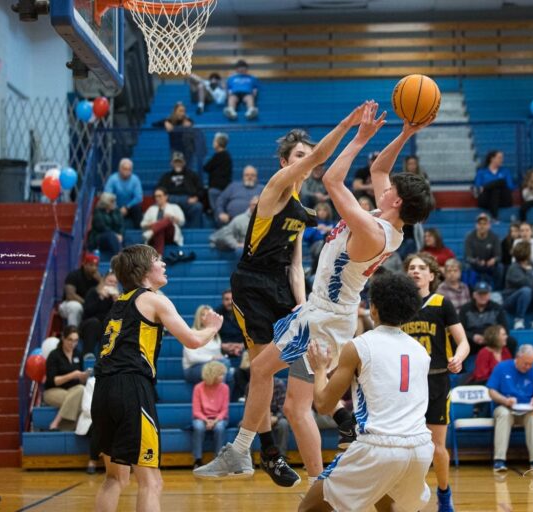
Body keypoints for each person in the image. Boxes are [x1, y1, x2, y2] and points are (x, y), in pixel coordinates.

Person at [195, 101, 435, 487]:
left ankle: (241, 451)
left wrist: (359, 137)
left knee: (261, 371)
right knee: (294, 402)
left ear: (396, 202)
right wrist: (406, 133)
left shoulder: (373, 231)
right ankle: (319, 478)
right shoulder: (390, 222)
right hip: (325, 312)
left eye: (390, 190)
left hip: (323, 314)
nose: (384, 187)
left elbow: (332, 181)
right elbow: (379, 169)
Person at [91, 244, 223, 512]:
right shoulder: (153, 299)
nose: (163, 264)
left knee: (115, 477)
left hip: (103, 390)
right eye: (158, 260)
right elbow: (193, 341)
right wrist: (211, 328)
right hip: (131, 388)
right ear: (143, 270)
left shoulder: (119, 303)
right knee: (152, 482)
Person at [300, 272, 434, 512]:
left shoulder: (359, 346)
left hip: (378, 449)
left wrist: (320, 369)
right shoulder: (421, 352)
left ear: (373, 309)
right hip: (420, 449)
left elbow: (322, 404)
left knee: (309, 508)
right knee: (387, 506)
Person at [404, 251, 469, 512]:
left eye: (421, 268)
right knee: (408, 446)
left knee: (436, 447)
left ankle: (444, 493)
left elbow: (462, 342)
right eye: (411, 267)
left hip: (437, 380)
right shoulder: (400, 306)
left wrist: (460, 358)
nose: (415, 271)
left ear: (432, 275)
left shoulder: (442, 303)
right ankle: (413, 498)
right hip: (407, 384)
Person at [487, 344, 533, 473]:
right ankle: (499, 460)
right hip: (505, 406)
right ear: (518, 357)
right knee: (504, 414)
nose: (528, 367)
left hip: (526, 409)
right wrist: (505, 400)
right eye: (526, 363)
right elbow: (491, 391)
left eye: (531, 364)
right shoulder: (502, 367)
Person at [44, 326, 88, 431]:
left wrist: (83, 377)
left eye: (76, 341)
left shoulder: (78, 354)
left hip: (74, 390)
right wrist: (73, 375)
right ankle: (60, 424)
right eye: (70, 340)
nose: (73, 344)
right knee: (78, 399)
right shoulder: (54, 355)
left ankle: (57, 424)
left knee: (80, 390)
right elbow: (53, 381)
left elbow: (80, 382)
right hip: (53, 391)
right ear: (63, 338)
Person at [459, 281, 516, 358]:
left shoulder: (497, 308)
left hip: (493, 340)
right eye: (480, 294)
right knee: (456, 342)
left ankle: (508, 366)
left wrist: (491, 338)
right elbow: (459, 329)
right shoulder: (465, 309)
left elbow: (504, 328)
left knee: (511, 342)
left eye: (485, 294)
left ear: (489, 295)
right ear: (474, 295)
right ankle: (459, 369)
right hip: (472, 341)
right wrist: (473, 336)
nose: (482, 296)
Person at [191, 361, 230, 469]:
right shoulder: (198, 388)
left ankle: (219, 459)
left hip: (219, 418)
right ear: (212, 375)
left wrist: (215, 421)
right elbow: (196, 411)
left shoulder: (225, 388)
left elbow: (224, 410)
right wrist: (206, 420)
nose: (223, 376)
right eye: (221, 374)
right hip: (202, 417)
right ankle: (197, 459)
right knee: (198, 427)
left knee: (220, 427)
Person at [503, 241, 533, 330]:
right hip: (512, 301)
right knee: (526, 290)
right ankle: (519, 320)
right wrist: (529, 272)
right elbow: (527, 283)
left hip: (530, 298)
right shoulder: (513, 268)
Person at [183, 305, 232, 385]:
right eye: (203, 314)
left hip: (213, 365)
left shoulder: (215, 334)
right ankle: (220, 396)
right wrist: (212, 358)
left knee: (230, 375)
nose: (206, 317)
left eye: (209, 314)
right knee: (224, 365)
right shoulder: (191, 333)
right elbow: (192, 358)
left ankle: (223, 397)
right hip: (193, 368)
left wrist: (219, 357)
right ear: (199, 317)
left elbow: (217, 354)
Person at [158, 152, 205, 229]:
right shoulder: (166, 177)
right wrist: (163, 199)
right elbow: (159, 190)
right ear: (171, 163)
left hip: (188, 200)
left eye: (179, 162)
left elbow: (201, 189)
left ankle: (194, 232)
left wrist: (196, 197)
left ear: (184, 163)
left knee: (198, 207)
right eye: (175, 162)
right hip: (170, 201)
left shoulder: (192, 175)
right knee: (159, 208)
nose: (178, 164)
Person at [80, 272, 120, 356]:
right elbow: (87, 312)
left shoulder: (117, 297)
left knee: (111, 324)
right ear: (104, 281)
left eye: (115, 282)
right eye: (110, 281)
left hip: (105, 326)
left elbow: (119, 317)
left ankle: (104, 357)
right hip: (89, 324)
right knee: (94, 323)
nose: (112, 284)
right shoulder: (93, 292)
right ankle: (88, 355)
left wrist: (117, 303)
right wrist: (100, 298)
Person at [59, 252, 101, 327]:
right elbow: (70, 296)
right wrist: (87, 304)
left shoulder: (98, 278)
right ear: (84, 265)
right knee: (76, 307)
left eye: (96, 266)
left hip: (87, 306)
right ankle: (72, 333)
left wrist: (101, 281)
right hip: (68, 305)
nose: (94, 268)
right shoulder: (74, 275)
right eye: (91, 265)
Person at [140, 187, 185, 256]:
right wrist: (152, 224)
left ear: (166, 196)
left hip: (170, 235)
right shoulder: (151, 209)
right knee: (160, 230)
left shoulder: (174, 207)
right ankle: (159, 256)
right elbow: (142, 224)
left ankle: (152, 231)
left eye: (159, 196)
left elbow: (182, 221)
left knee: (168, 219)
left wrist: (172, 218)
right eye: (156, 196)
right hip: (155, 236)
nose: (157, 198)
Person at [464, 212, 503, 290]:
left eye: (485, 224)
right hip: (475, 265)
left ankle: (497, 291)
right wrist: (476, 261)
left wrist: (494, 260)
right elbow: (468, 256)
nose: (482, 226)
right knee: (466, 267)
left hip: (490, 265)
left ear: (489, 225)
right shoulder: (469, 237)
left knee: (500, 267)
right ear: (476, 225)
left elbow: (498, 255)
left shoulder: (495, 237)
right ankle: (469, 291)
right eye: (480, 224)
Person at [104, 158, 144, 230]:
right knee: (106, 207)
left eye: (129, 169)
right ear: (119, 169)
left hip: (130, 208)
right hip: (115, 207)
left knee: (137, 208)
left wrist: (126, 207)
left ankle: (138, 233)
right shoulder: (112, 179)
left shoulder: (135, 179)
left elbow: (139, 197)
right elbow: (107, 195)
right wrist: (116, 208)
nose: (127, 171)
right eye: (125, 169)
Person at [474, 150, 514, 221]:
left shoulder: (505, 171)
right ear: (492, 159)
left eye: (502, 158)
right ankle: (495, 218)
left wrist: (486, 187)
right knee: (495, 190)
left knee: (501, 182)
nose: (502, 160)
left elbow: (510, 187)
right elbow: (477, 185)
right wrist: (493, 186)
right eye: (499, 158)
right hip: (486, 200)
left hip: (503, 200)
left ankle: (495, 218)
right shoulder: (482, 172)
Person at [203, 132, 233, 213]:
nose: (213, 143)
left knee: (217, 211)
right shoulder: (227, 156)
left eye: (214, 141)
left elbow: (206, 167)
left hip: (216, 188)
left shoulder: (218, 156)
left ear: (218, 143)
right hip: (224, 187)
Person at [269, 377, 291, 456]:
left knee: (283, 423)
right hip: (258, 418)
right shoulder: (251, 385)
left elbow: (283, 407)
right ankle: (247, 462)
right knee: (243, 425)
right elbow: (249, 408)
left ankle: (281, 457)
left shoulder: (279, 384)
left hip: (275, 416)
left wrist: (276, 417)